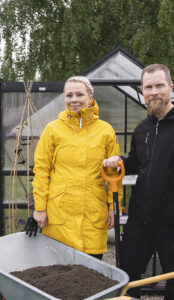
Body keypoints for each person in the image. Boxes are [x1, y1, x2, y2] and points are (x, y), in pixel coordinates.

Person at [102, 64, 174, 299]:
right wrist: (118, 161)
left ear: (170, 87)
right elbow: (136, 163)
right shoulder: (142, 129)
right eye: (148, 87)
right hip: (140, 218)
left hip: (173, 220)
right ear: (142, 90)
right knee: (129, 274)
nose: (153, 92)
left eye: (159, 85)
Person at [32, 76, 122, 259]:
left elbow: (114, 174)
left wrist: (114, 208)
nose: (74, 99)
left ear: (90, 97)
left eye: (79, 94)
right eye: (69, 95)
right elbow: (41, 171)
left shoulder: (105, 131)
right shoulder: (53, 130)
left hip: (93, 212)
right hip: (60, 212)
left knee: (92, 273)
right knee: (58, 273)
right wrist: (40, 208)